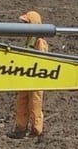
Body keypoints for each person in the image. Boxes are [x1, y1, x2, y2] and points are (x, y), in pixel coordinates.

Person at [9, 11, 49, 139]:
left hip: (36, 77)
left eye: (27, 23)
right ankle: (21, 127)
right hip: (26, 75)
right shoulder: (29, 40)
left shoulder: (40, 42)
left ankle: (36, 130)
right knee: (22, 101)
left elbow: (42, 60)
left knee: (35, 103)